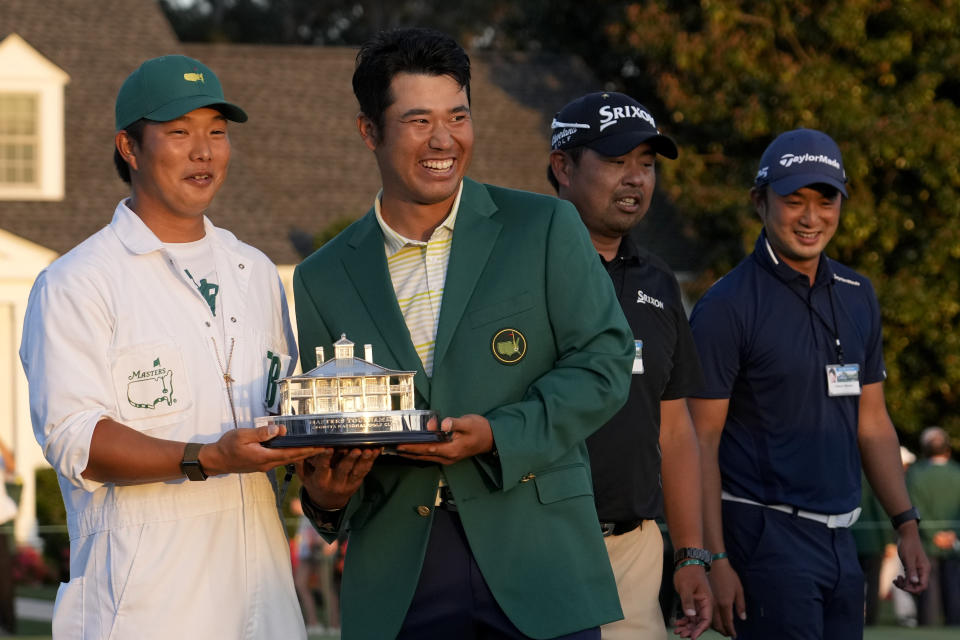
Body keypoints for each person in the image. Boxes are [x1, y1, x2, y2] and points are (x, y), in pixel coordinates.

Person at [294, 28, 634, 640]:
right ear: (369, 131)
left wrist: (498, 435)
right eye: (418, 120)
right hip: (402, 582)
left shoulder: (545, 226)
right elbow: (331, 431)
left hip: (540, 560)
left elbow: (605, 363)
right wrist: (325, 496)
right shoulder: (322, 278)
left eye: (458, 116)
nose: (444, 140)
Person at [18, 55, 321, 639]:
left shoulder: (255, 272)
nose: (203, 151)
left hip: (265, 609)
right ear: (129, 148)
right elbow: (75, 439)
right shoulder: (78, 281)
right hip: (145, 613)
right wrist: (208, 456)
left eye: (217, 132)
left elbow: (286, 412)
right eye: (179, 133)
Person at [688, 128, 930, 639]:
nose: (811, 216)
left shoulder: (858, 294)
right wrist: (715, 559)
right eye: (793, 200)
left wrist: (906, 522)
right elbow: (699, 441)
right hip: (765, 538)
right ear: (760, 201)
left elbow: (873, 423)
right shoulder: (726, 306)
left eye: (826, 200)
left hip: (842, 541)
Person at [547, 91, 711, 639]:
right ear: (562, 166)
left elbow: (676, 430)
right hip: (537, 542)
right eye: (616, 161)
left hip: (635, 549)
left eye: (646, 164)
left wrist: (690, 555)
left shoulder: (659, 282)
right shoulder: (520, 270)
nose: (636, 179)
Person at [907, 426, 960, 625]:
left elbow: (914, 507)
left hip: (926, 541)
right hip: (954, 542)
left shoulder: (915, 474)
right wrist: (953, 534)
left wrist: (934, 533)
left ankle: (928, 626)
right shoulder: (957, 473)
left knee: (928, 589)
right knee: (955, 588)